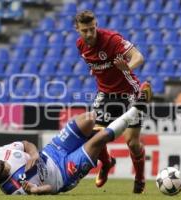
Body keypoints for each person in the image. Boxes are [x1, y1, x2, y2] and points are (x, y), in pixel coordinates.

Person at [0, 107, 140, 195]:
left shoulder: (1, 152)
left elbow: (25, 144)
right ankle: (135, 110)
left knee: (88, 119)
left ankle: (106, 162)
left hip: (53, 151)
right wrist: (37, 190)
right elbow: (50, 188)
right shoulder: (14, 188)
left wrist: (35, 154)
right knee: (98, 139)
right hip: (63, 174)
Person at [75, 10, 152, 193]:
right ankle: (107, 162)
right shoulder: (81, 46)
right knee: (93, 135)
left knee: (132, 143)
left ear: (96, 25)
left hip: (129, 93)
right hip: (106, 95)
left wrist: (127, 67)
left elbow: (139, 57)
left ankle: (140, 178)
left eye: (92, 29)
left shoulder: (112, 39)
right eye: (85, 30)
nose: (89, 34)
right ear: (77, 29)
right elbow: (97, 68)